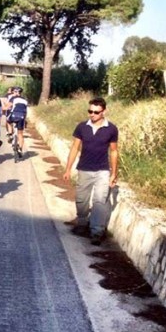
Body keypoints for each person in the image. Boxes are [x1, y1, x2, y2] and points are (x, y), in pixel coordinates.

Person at [62, 97, 119, 246]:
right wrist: (68, 169)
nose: (92, 114)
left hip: (102, 170)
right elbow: (75, 148)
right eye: (90, 111)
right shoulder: (82, 127)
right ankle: (82, 224)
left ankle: (96, 232)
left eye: (96, 112)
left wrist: (114, 173)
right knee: (81, 200)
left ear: (104, 112)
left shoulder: (111, 129)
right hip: (84, 169)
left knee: (100, 201)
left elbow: (114, 151)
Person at [5, 86, 29, 153]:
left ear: (14, 92)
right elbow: (25, 111)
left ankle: (10, 134)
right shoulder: (25, 100)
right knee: (20, 134)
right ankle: (20, 149)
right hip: (22, 116)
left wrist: (2, 109)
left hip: (14, 115)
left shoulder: (13, 98)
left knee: (8, 121)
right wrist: (25, 119)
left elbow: (7, 107)